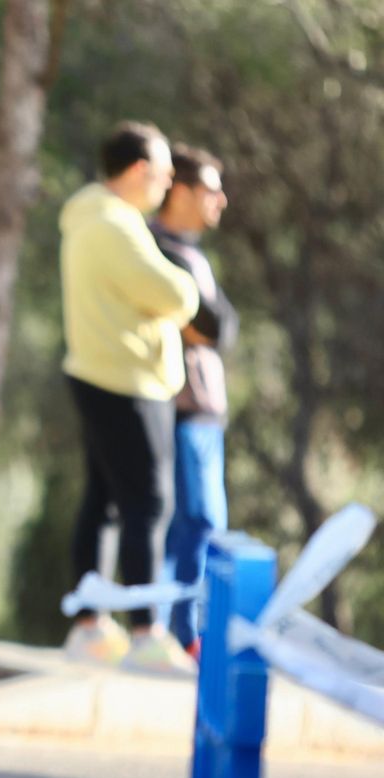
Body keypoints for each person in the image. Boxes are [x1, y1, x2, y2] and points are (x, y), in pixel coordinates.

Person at [59, 121, 200, 676]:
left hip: (102, 375)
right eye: (166, 175)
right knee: (149, 504)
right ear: (140, 171)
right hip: (128, 382)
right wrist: (188, 287)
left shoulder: (90, 215)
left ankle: (91, 625)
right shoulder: (114, 225)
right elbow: (174, 294)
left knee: (106, 503)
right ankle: (146, 633)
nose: (167, 186)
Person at [151, 144, 234, 659]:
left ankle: (186, 634)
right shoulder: (156, 249)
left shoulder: (190, 253)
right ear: (178, 190)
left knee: (203, 522)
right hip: (181, 410)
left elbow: (220, 327)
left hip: (205, 413)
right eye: (210, 189)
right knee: (196, 520)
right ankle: (183, 636)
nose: (220, 201)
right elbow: (211, 327)